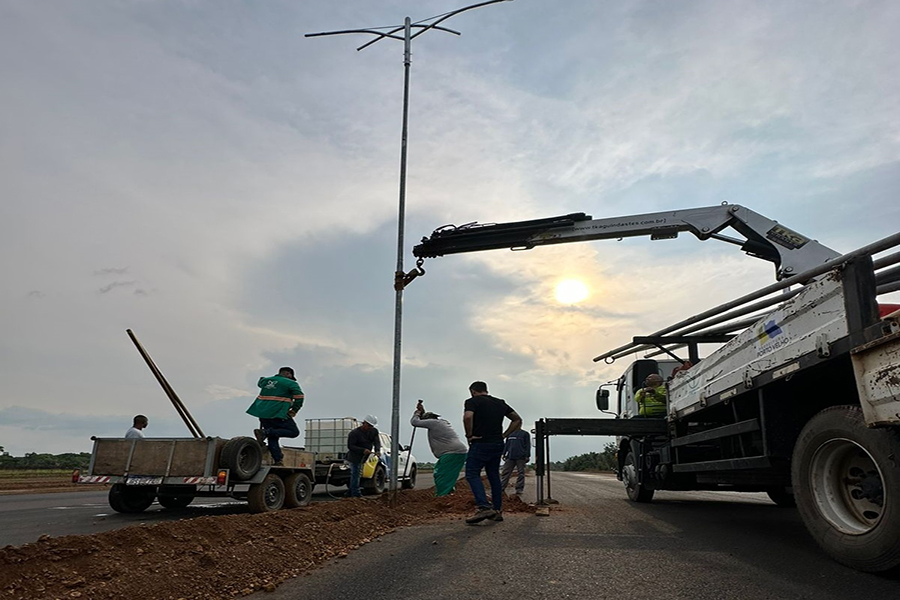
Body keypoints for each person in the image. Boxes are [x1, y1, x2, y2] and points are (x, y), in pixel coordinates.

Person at [463, 381, 522, 524]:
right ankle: (497, 510)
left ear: (472, 391)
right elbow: (517, 419)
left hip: (480, 442)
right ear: (486, 390)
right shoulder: (500, 402)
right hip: (497, 444)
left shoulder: (472, 401)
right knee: (493, 475)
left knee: (471, 473)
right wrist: (504, 435)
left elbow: (468, 417)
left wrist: (469, 435)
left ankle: (483, 507)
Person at [246, 366, 304, 466]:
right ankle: (265, 432)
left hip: (263, 413)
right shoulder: (290, 383)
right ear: (288, 374)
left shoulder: (265, 381)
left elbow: (260, 382)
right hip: (278, 413)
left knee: (272, 436)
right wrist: (294, 410)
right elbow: (300, 397)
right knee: (293, 432)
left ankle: (278, 460)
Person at [410, 399, 468, 497]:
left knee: (441, 474)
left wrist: (417, 413)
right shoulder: (438, 422)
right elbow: (423, 420)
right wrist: (422, 410)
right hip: (455, 452)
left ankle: (443, 495)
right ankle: (449, 493)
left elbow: (415, 422)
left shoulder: (434, 423)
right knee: (447, 474)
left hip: (452, 453)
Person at [345, 415, 381, 498]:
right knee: (356, 474)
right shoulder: (354, 433)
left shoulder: (374, 431)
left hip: (364, 457)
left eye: (371, 426)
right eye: (369, 426)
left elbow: (376, 442)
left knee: (357, 474)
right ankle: (355, 494)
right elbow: (351, 446)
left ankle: (350, 492)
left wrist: (377, 451)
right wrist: (362, 450)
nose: (370, 428)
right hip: (354, 457)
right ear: (364, 423)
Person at [500, 427, 530, 496]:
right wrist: (503, 453)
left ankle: (519, 489)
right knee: (505, 472)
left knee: (521, 473)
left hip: (521, 457)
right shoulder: (510, 434)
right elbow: (506, 445)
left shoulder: (524, 434)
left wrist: (527, 455)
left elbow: (527, 445)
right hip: (510, 457)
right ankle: (501, 488)